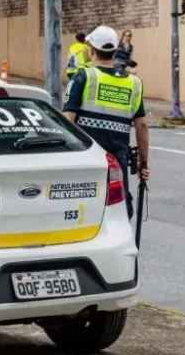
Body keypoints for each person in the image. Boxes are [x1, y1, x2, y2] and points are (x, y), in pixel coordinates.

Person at [64, 26, 150, 219]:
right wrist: (143, 162)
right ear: (114, 51)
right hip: (117, 160)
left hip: (87, 158)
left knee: (85, 212)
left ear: (92, 50)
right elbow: (142, 126)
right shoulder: (134, 83)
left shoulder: (84, 77)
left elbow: (68, 121)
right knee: (119, 211)